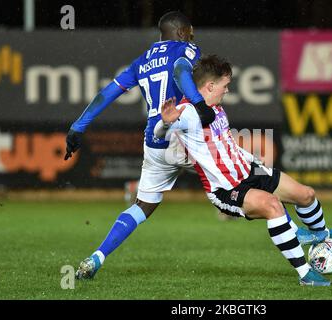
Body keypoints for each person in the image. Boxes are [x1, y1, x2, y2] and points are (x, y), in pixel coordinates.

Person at [155, 54, 332, 286]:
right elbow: (158, 133)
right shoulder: (188, 112)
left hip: (251, 169)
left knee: (306, 195)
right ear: (210, 86)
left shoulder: (213, 106)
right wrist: (165, 123)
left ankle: (322, 238)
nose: (227, 90)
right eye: (225, 85)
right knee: (273, 207)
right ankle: (306, 274)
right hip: (227, 188)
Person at [65, 11, 217, 280]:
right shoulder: (187, 48)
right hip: (184, 135)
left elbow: (107, 93)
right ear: (182, 32)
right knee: (241, 179)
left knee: (143, 205)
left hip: (155, 141)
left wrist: (78, 126)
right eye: (189, 32)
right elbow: (181, 70)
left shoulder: (142, 61)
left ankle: (96, 258)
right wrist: (199, 103)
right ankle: (296, 226)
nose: (191, 36)